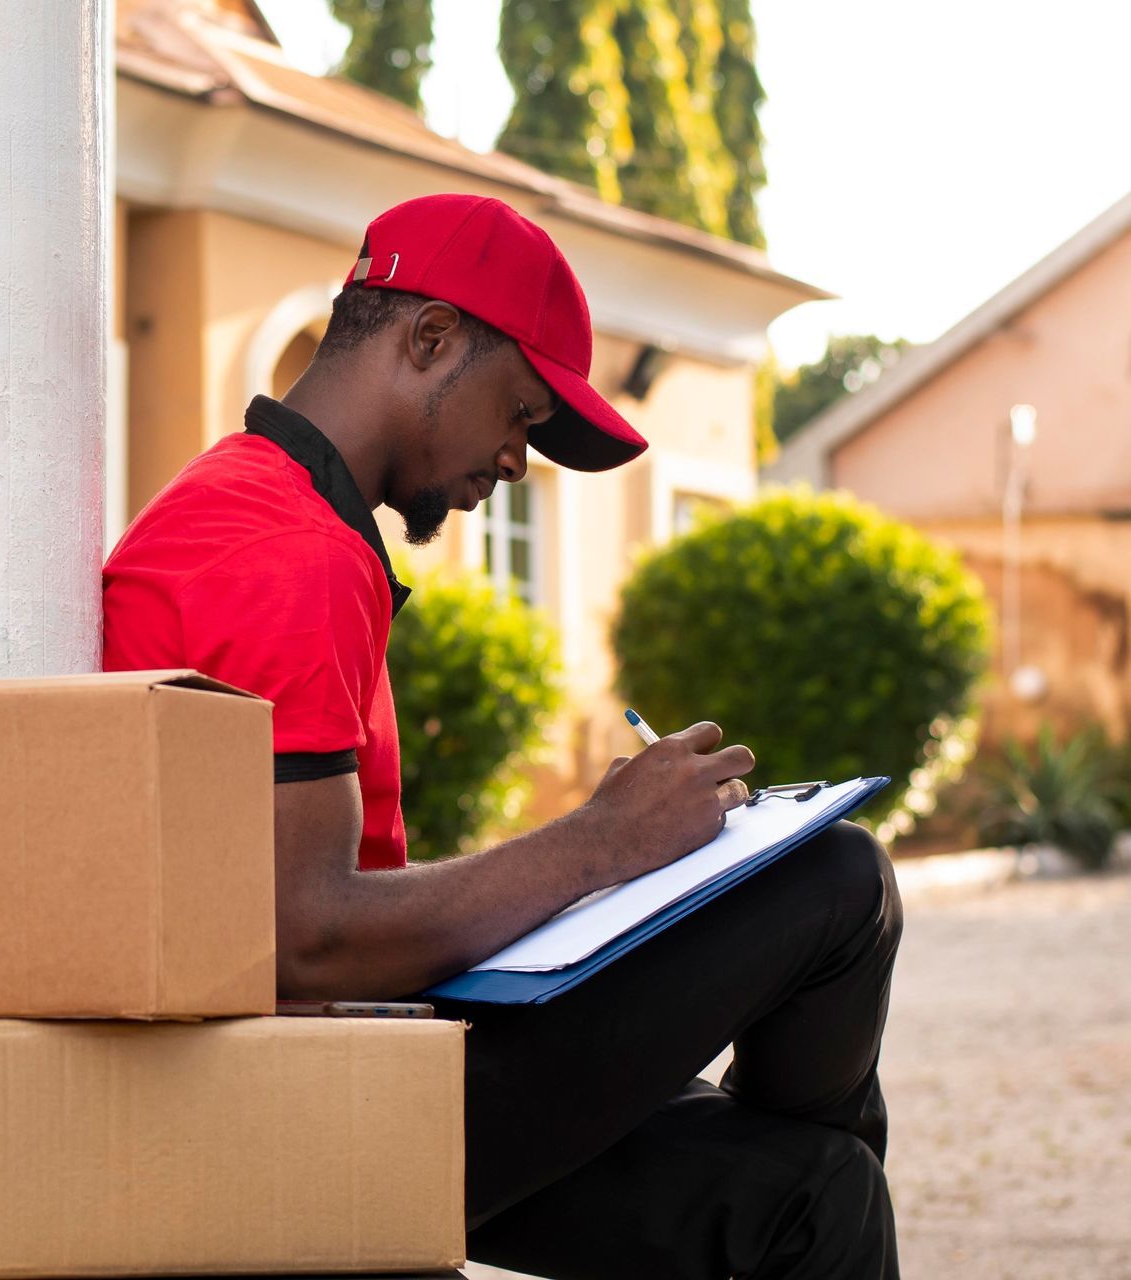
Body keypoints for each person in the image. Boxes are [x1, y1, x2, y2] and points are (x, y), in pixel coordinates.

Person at [102, 194, 903, 1279]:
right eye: (521, 414)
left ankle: (798, 1153)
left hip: (324, 1067)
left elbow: (298, 901)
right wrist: (601, 844)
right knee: (840, 879)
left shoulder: (255, 507)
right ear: (429, 338)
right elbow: (301, 934)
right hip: (295, 1113)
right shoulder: (286, 550)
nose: (520, 461)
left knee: (812, 1195)